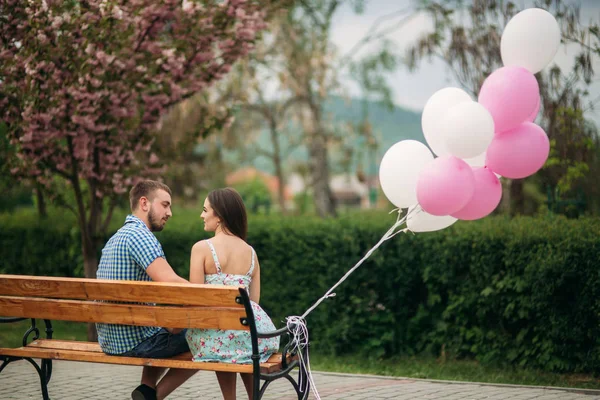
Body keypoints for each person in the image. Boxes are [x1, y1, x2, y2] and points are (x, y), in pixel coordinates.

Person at [96, 180, 197, 400]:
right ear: (144, 203)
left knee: (166, 327)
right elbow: (170, 281)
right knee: (205, 339)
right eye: (165, 205)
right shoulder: (141, 236)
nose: (170, 212)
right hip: (135, 342)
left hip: (109, 340)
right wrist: (210, 295)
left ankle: (146, 389)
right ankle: (154, 397)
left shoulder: (115, 238)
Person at [185, 188, 280, 400]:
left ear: (218, 216)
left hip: (213, 338)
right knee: (241, 345)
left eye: (205, 210)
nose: (202, 215)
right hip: (250, 340)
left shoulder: (201, 248)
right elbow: (253, 303)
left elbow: (195, 299)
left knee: (222, 339)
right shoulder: (251, 253)